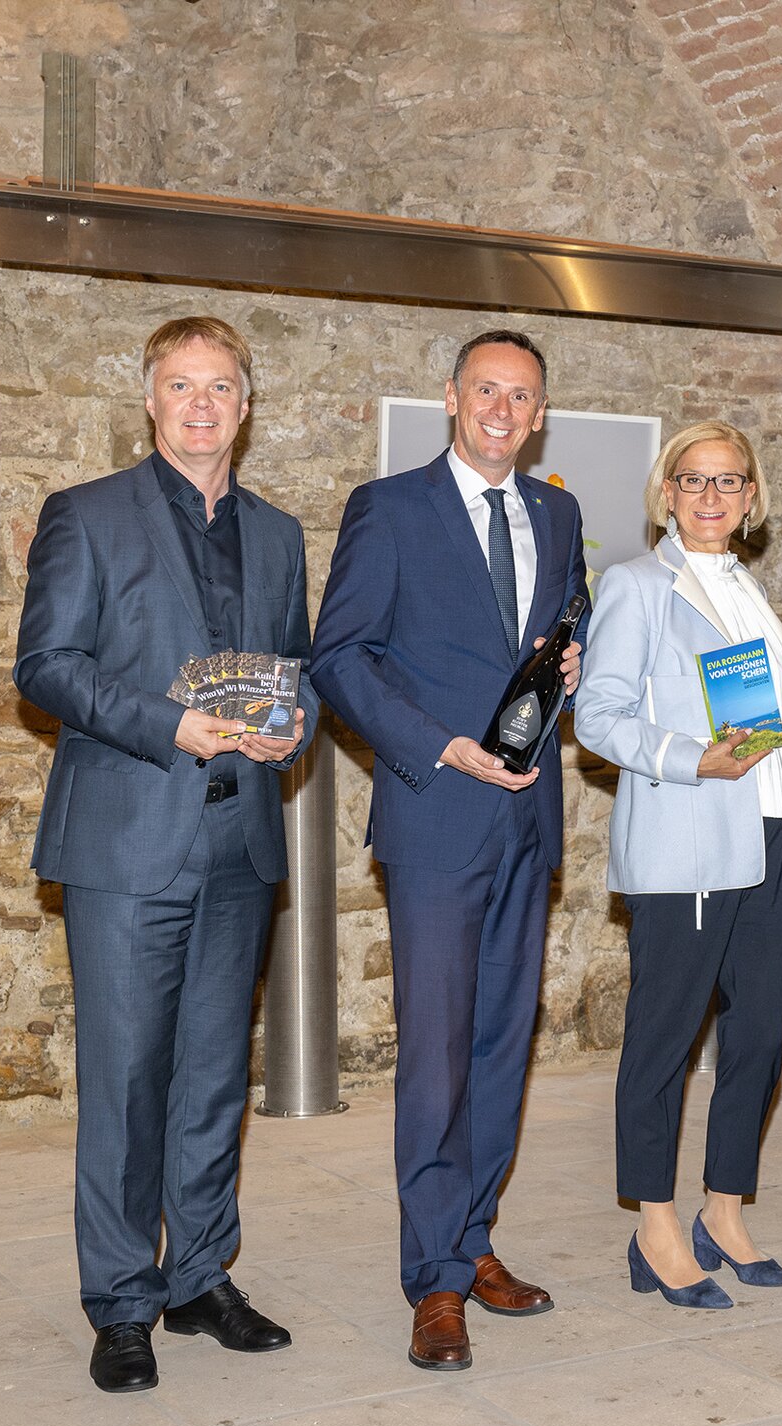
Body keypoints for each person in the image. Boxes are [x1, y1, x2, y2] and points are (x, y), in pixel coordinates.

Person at [14, 316, 317, 1394]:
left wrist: (292, 730)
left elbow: (295, 668)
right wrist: (167, 724)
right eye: (181, 385)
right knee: (127, 1081)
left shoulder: (278, 534)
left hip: (239, 839)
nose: (201, 404)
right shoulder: (87, 514)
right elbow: (46, 664)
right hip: (127, 839)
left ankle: (197, 1277)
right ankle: (120, 1300)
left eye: (220, 386)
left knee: (212, 1079)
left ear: (247, 405)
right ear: (150, 400)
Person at [311, 329, 587, 1372]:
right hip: (435, 815)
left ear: (539, 414)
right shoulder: (388, 509)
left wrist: (572, 663)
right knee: (436, 1053)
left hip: (526, 818)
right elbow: (340, 656)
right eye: (486, 391)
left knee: (502, 1046)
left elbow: (556, 640)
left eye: (521, 396)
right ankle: (433, 1279)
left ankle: (472, 1242)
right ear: (451, 398)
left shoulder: (556, 513)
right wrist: (438, 744)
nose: (501, 410)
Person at [574, 421, 782, 1308]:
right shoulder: (637, 586)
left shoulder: (747, 588)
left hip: (769, 835)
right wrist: (692, 759)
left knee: (757, 1035)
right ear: (667, 492)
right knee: (665, 1039)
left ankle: (724, 1210)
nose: (711, 496)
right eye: (694, 480)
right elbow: (598, 716)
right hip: (688, 840)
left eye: (729, 481)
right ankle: (654, 1225)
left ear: (751, 497)